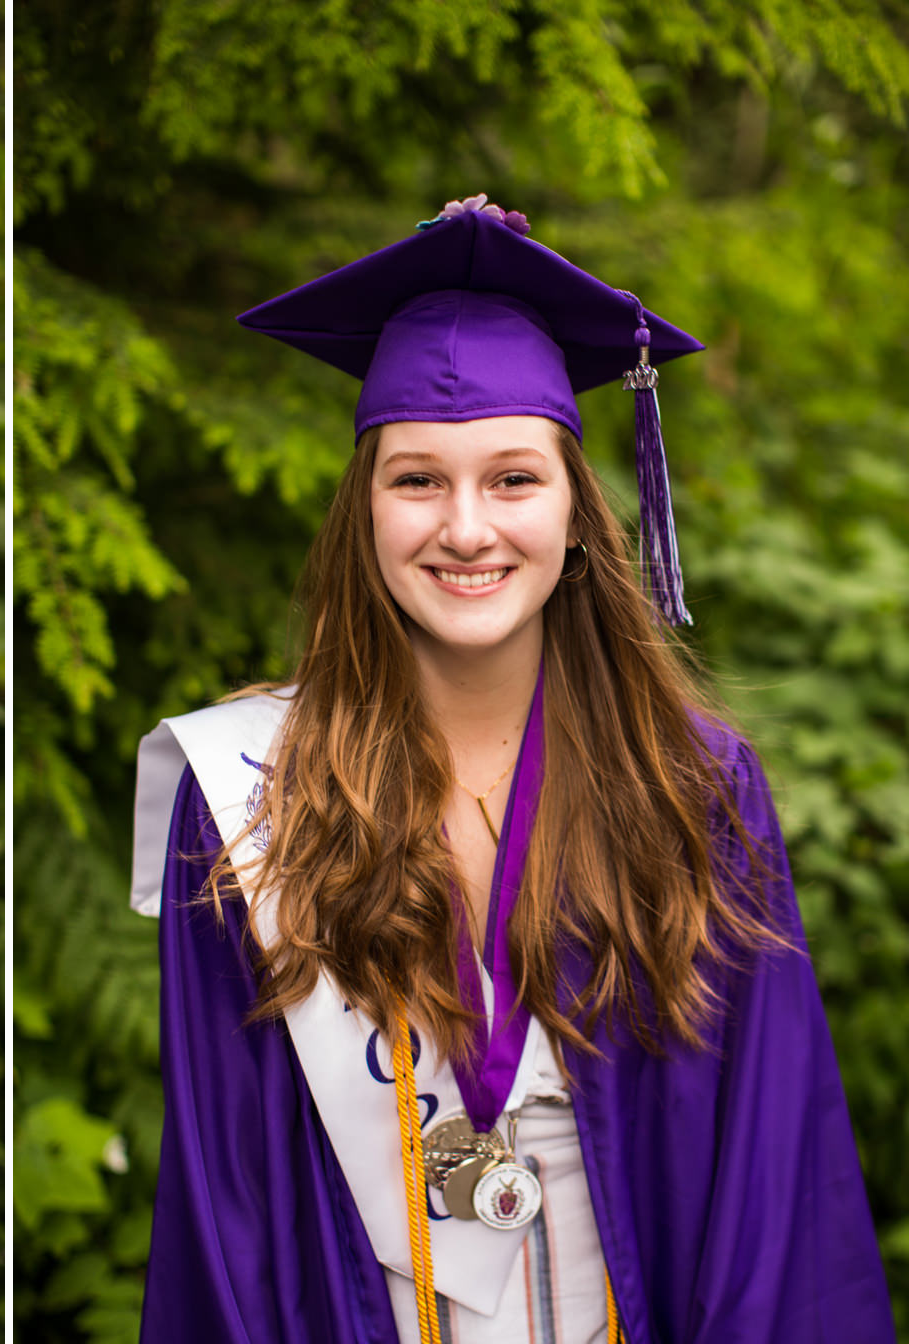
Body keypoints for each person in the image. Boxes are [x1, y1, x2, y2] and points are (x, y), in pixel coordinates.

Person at [129, 195, 892, 1344]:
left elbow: (770, 1180)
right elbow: (226, 1203)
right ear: (364, 512)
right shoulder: (246, 798)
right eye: (418, 479)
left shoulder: (692, 788)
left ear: (579, 511)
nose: (468, 528)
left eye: (515, 479)